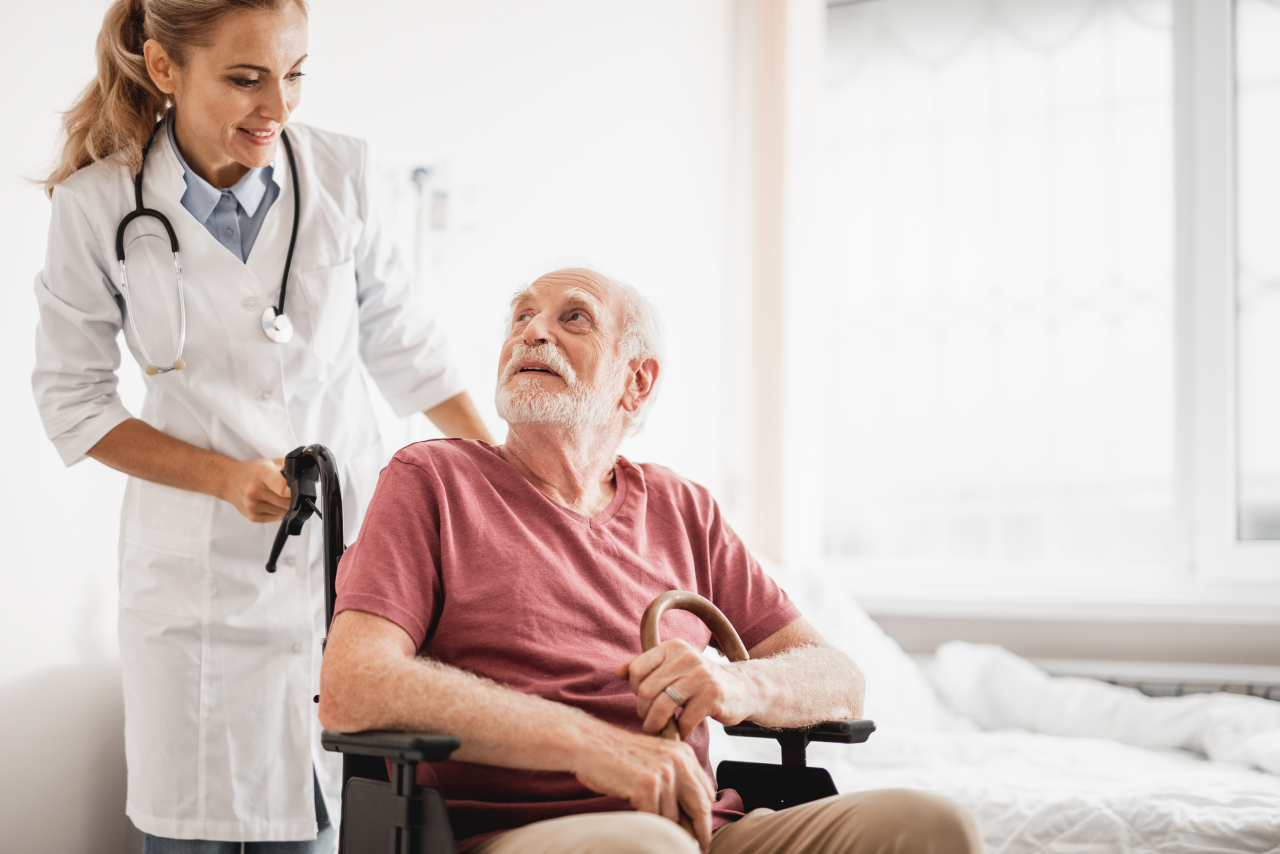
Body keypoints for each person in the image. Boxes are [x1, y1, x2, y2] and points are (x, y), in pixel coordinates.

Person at [31, 0, 494, 850]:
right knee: (188, 833)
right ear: (165, 69)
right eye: (246, 79)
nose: (278, 107)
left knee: (325, 824)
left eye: (294, 74)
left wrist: (507, 483)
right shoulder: (99, 207)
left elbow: (405, 345)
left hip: (347, 572)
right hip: (195, 584)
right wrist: (222, 476)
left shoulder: (340, 174)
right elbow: (74, 402)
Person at [318, 268, 984, 854]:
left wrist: (735, 686)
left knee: (930, 827)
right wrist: (593, 746)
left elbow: (837, 678)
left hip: (703, 829)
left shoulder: (682, 507)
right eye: (521, 316)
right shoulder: (433, 479)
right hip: (521, 836)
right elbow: (353, 684)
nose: (531, 332)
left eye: (571, 318)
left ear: (636, 382)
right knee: (643, 847)